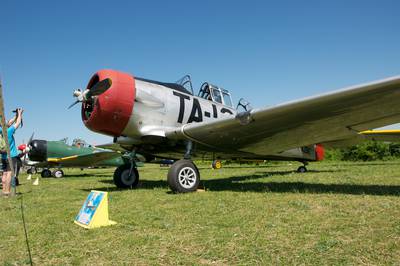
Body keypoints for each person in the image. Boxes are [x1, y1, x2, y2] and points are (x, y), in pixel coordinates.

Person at [2, 108, 23, 196]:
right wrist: (20, 114)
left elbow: (10, 122)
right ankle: (7, 192)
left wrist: (16, 115)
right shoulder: (9, 131)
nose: (9, 122)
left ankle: (3, 191)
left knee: (4, 174)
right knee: (10, 174)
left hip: (3, 156)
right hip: (11, 156)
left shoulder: (1, 131)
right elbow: (17, 123)